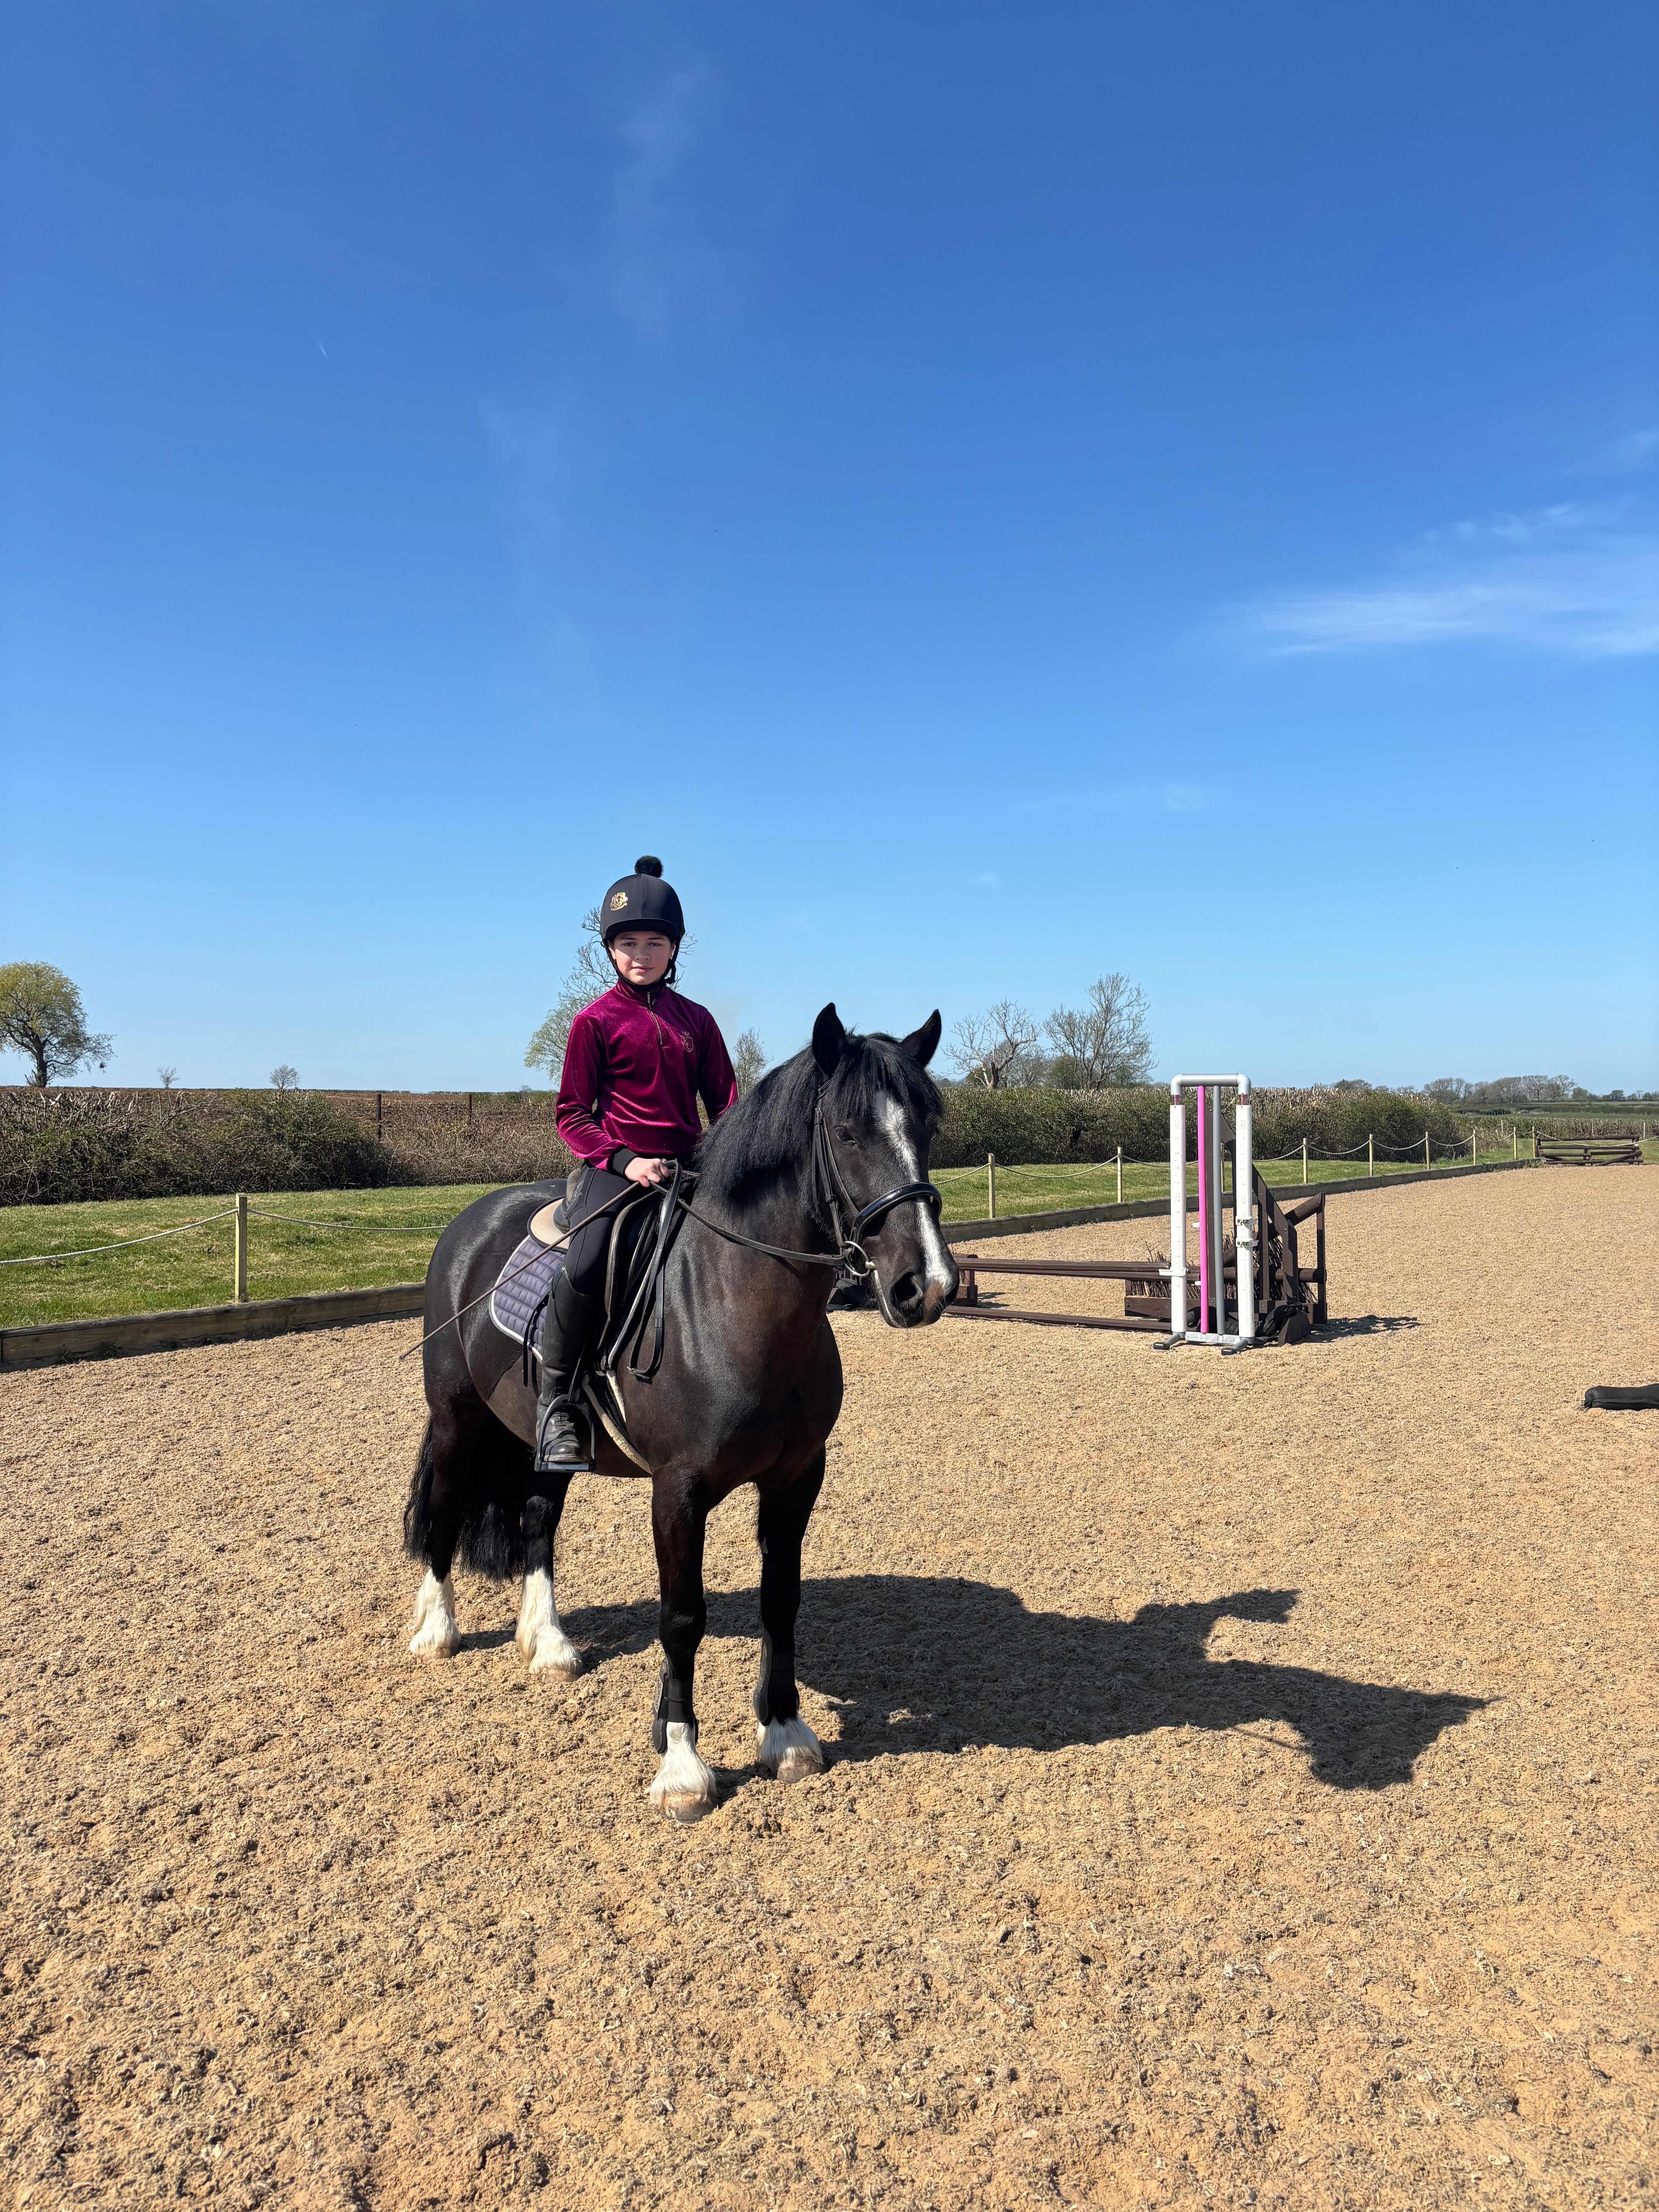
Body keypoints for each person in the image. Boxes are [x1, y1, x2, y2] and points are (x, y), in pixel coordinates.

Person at [535, 857, 739, 1472]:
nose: (642, 954)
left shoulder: (697, 1022)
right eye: (629, 943)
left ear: (674, 948)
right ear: (612, 951)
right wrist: (625, 1161)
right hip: (615, 1170)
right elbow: (571, 1114)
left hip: (688, 1169)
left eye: (655, 942)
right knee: (589, 1260)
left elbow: (726, 1105)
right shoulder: (593, 1022)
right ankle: (558, 1406)